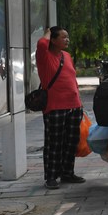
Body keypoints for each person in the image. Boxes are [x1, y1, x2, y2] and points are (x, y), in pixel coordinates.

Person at [35, 26, 84, 189]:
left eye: (67, 36)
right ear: (53, 40)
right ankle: (51, 176)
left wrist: (79, 101)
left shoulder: (67, 56)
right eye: (63, 37)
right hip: (55, 106)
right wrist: (49, 30)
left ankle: (67, 173)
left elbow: (72, 78)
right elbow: (42, 43)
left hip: (74, 105)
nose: (67, 39)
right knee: (54, 142)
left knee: (71, 141)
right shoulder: (45, 55)